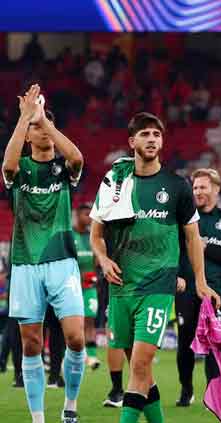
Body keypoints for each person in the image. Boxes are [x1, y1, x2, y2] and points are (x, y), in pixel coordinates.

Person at [89, 112, 221, 423]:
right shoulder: (114, 183)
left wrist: (200, 280)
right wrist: (104, 259)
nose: (152, 139)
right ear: (132, 141)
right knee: (142, 371)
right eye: (145, 134)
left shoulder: (176, 186)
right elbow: (96, 234)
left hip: (159, 285)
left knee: (139, 363)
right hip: (121, 286)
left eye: (156, 135)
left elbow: (192, 237)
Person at [3, 85, 86, 423]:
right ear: (26, 135)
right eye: (36, 128)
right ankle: (38, 418)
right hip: (25, 263)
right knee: (32, 344)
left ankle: (71, 406)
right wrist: (25, 118)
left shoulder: (64, 170)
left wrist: (44, 120)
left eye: (46, 126)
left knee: (76, 338)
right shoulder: (19, 168)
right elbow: (7, 165)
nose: (42, 130)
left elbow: (77, 157)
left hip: (62, 261)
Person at [175, 168, 221, 406]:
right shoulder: (185, 218)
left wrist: (203, 247)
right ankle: (186, 389)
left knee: (215, 344)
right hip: (187, 289)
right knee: (185, 343)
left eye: (203, 187)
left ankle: (212, 393)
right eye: (195, 188)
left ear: (216, 189)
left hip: (215, 291)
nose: (198, 192)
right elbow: (176, 250)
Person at [72, 202, 101, 370]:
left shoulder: (93, 237)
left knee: (90, 320)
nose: (89, 217)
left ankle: (91, 357)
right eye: (85, 214)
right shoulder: (70, 236)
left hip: (90, 288)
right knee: (76, 323)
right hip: (73, 288)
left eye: (90, 214)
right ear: (77, 215)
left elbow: (97, 261)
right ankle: (77, 356)